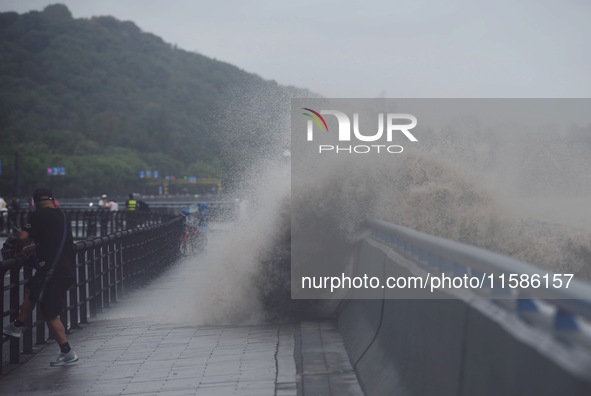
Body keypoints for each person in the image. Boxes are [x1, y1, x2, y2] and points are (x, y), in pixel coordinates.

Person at [2, 188, 79, 366]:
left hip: (53, 272)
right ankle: (18, 324)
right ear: (53, 200)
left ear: (35, 203)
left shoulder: (38, 215)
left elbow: (22, 236)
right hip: (65, 269)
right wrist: (35, 247)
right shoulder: (63, 216)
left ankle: (67, 352)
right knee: (32, 289)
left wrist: (21, 248)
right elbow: (56, 239)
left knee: (49, 313)